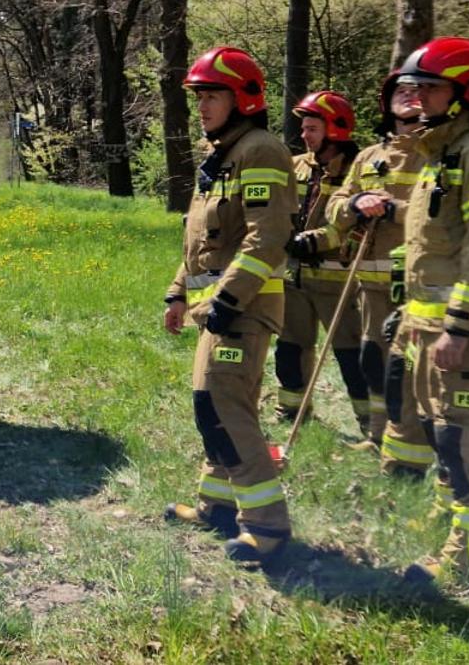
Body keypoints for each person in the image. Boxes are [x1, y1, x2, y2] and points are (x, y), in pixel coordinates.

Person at [349, 37, 469, 584]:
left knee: (465, 434)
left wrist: (459, 326)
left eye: (430, 88)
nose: (417, 98)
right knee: (437, 426)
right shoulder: (438, 154)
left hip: (460, 327)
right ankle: (455, 522)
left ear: (465, 92)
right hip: (424, 321)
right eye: (414, 88)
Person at [161, 46, 298, 565]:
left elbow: (267, 238)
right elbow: (201, 244)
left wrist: (228, 299)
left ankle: (267, 526)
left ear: (243, 98)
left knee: (227, 410)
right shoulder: (221, 158)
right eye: (199, 97)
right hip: (215, 310)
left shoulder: (260, 151)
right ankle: (216, 506)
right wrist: (179, 293)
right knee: (210, 407)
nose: (203, 106)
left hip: (242, 309)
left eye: (213, 95)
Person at [301, 74, 434, 458]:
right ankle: (379, 437)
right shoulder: (369, 157)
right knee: (374, 362)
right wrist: (354, 206)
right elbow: (335, 205)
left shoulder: (439, 154)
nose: (408, 96)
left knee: (409, 368)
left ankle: (417, 447)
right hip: (371, 286)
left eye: (416, 90)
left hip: (419, 284)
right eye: (400, 91)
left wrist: (393, 210)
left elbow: (446, 218)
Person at [272, 92, 365, 425]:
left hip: (339, 283)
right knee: (290, 351)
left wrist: (319, 240)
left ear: (336, 130)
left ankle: (371, 422)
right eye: (303, 128)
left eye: (312, 128)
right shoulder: (294, 166)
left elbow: (361, 226)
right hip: (294, 280)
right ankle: (292, 412)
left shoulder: (360, 170)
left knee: (353, 356)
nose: (304, 135)